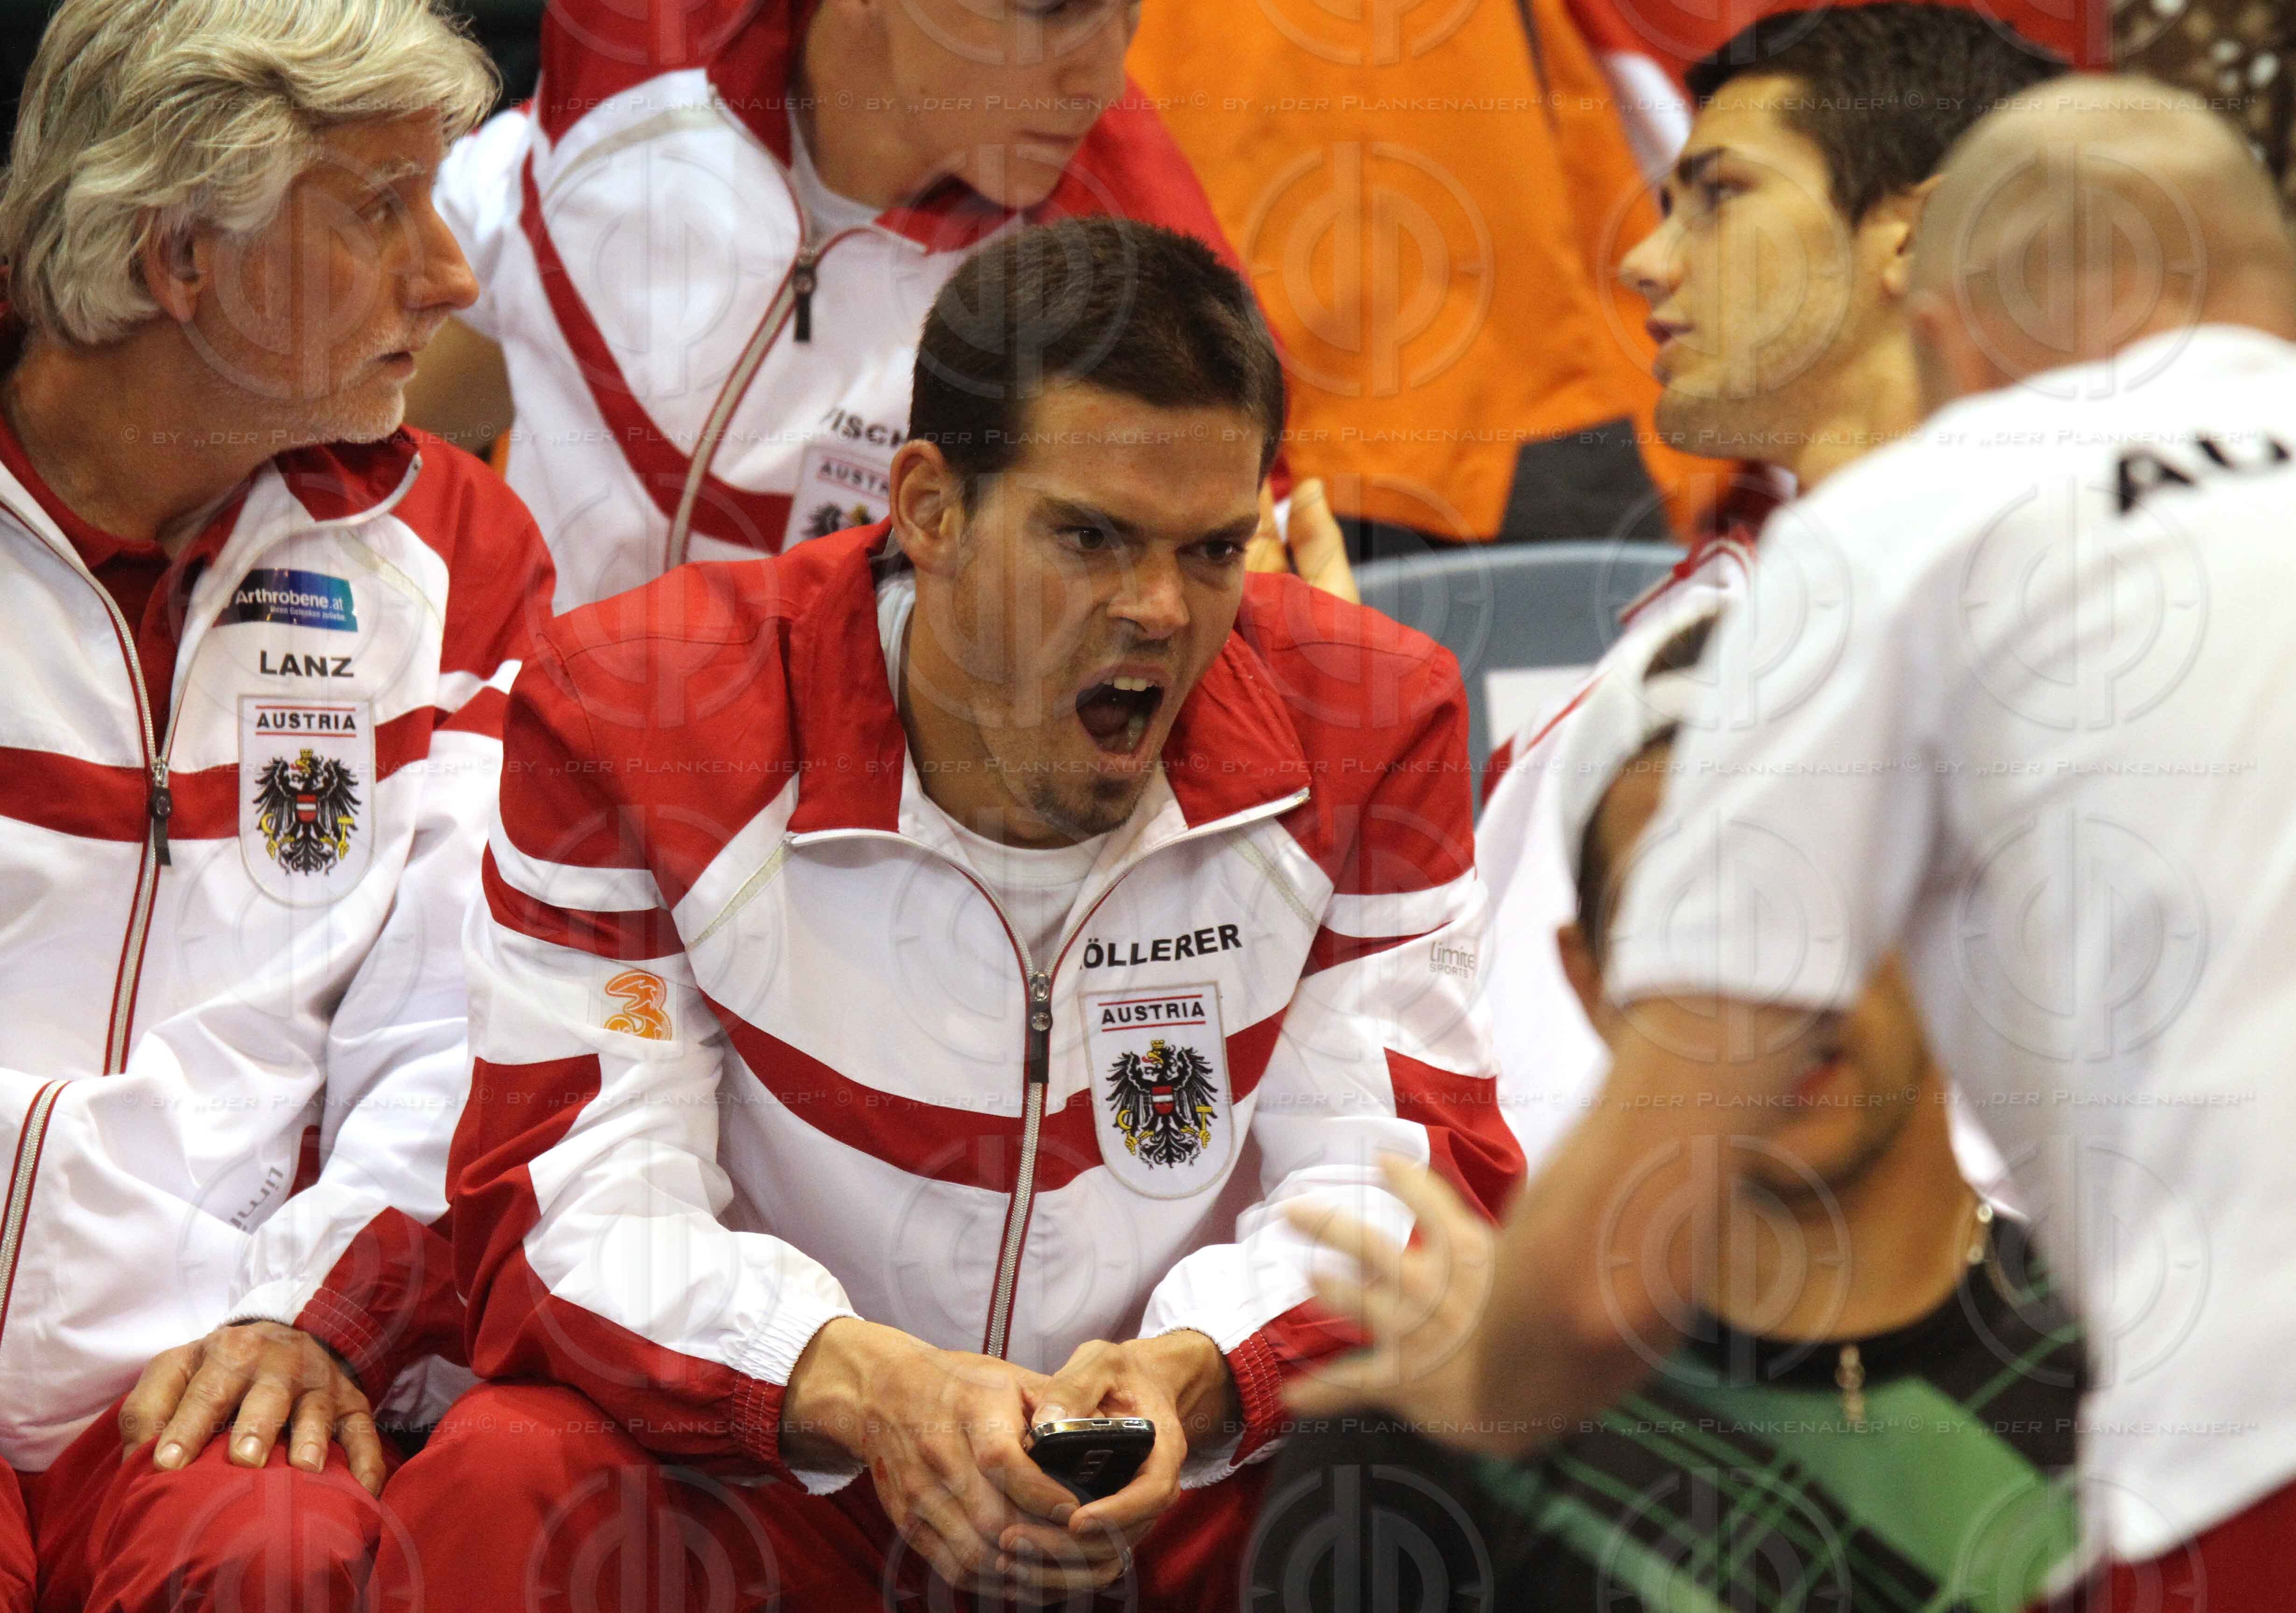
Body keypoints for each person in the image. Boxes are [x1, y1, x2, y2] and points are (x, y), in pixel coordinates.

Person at [370, 216, 1521, 1613]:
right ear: (924, 504)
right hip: (802, 1491)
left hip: (1172, 1498)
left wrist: (1191, 1376)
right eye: (1088, 537)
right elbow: (567, 1210)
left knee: (1468, 1446)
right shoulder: (641, 712)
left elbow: (1404, 1187)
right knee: (505, 1476)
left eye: (1214, 549)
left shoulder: (1369, 718)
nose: (1157, 609)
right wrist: (863, 1386)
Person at [1461, 78, 2296, 1605]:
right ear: (2292, 313)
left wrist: (1460, 1380)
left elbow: (1612, 1256)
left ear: (1942, 334)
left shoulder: (1907, 523)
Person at [0, 1, 553, 1609]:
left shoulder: (458, 558)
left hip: (210, 1353)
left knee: (281, 1546)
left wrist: (321, 1312)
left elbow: (467, 1020)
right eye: (381, 209)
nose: (451, 279)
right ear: (184, 262)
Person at [1263, 607, 2085, 1611]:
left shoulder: (2160, 1370)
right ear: (1589, 983)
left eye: (1819, 890)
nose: (1760, 989)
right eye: (1687, 919)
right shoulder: (1414, 1455)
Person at [1483, 3, 2065, 1168]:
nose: (1647, 261)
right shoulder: (1690, 637)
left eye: (1721, 195)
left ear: (1917, 234)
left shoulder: (2100, 624)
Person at [414, 0, 1351, 613]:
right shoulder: (628, 46)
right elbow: (487, 302)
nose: (1103, 79)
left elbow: (1245, 655)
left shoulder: (1134, 278)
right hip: (524, 807)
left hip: (856, 880)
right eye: (1050, 9)